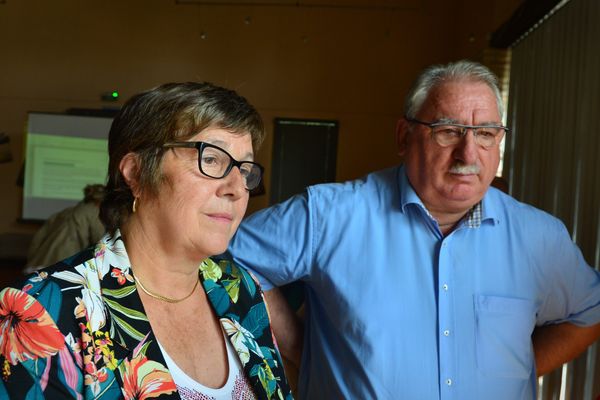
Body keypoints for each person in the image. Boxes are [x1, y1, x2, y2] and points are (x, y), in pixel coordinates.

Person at [227, 61, 600, 399]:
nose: (468, 154)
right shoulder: (328, 215)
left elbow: (589, 313)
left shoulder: (540, 238)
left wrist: (517, 369)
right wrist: (295, 345)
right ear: (404, 136)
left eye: (485, 133)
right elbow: (226, 255)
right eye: (448, 131)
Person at [0, 82, 293, 400]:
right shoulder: (41, 311)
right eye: (211, 159)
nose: (237, 188)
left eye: (245, 168)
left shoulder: (239, 288)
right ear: (136, 174)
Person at [25, 184, 106, 271]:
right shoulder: (94, 212)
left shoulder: (63, 212)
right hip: (60, 268)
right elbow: (101, 243)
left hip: (35, 266)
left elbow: (36, 241)